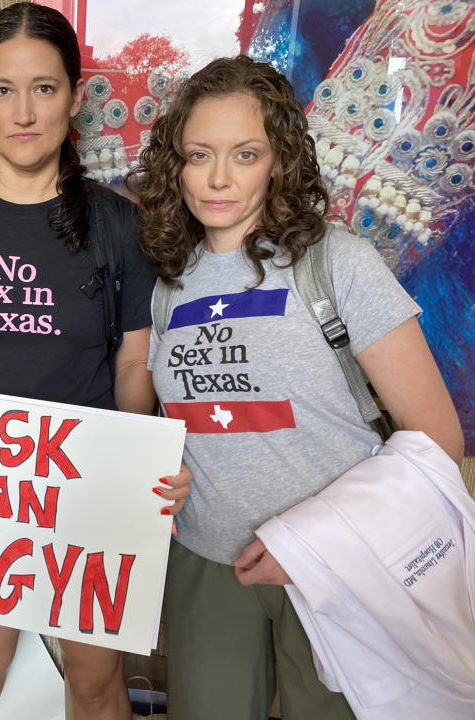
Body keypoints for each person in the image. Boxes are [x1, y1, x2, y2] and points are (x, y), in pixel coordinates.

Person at [131, 55, 464, 720]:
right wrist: (162, 473)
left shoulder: (337, 263)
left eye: (245, 154)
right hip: (206, 562)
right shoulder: (166, 285)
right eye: (199, 155)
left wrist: (308, 544)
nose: (219, 178)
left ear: (279, 160)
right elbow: (181, 425)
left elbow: (440, 439)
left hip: (335, 568)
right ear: (176, 164)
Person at [0, 4, 191, 719]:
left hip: (84, 495)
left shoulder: (119, 225)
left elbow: (133, 365)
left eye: (44, 88)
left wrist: (134, 479)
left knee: (92, 683)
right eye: (3, 90)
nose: (23, 112)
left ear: (76, 95)